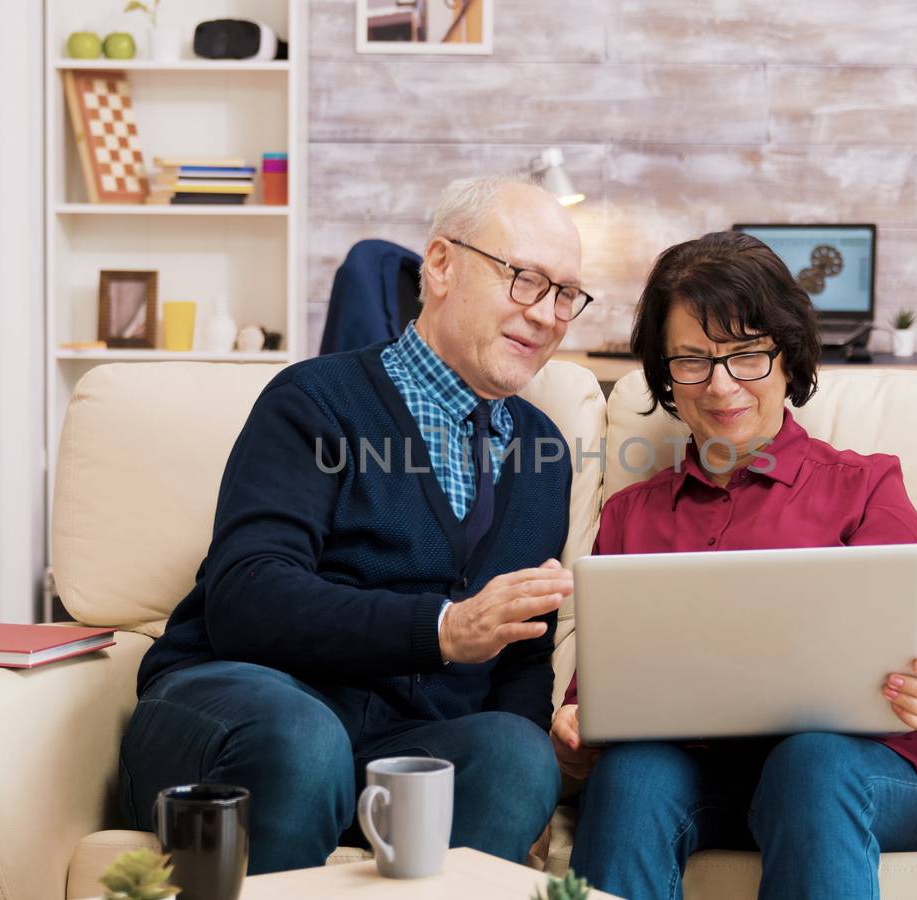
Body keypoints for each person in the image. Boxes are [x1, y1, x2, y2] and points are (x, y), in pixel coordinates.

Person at [120, 175, 596, 874]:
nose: (548, 314)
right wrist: (441, 630)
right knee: (304, 739)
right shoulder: (314, 401)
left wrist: (540, 757)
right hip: (245, 706)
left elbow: (522, 654)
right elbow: (246, 594)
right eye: (524, 279)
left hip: (401, 744)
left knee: (516, 755)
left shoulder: (546, 455)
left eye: (565, 295)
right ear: (440, 265)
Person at [552, 231, 917, 899]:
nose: (721, 387)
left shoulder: (864, 486)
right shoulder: (632, 514)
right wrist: (575, 731)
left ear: (786, 357)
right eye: (691, 361)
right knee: (631, 772)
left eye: (745, 354)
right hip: (704, 777)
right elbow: (598, 696)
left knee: (810, 761)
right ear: (666, 375)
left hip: (860, 773)